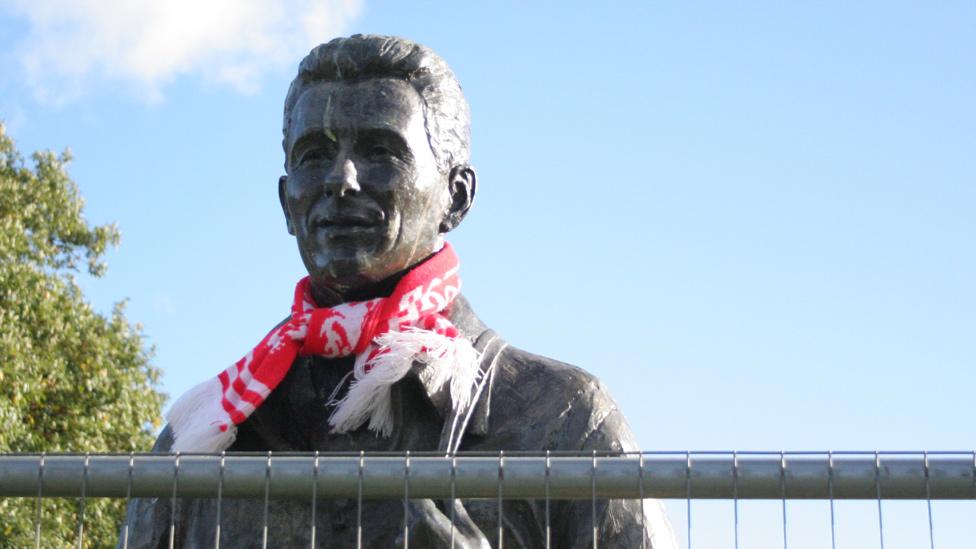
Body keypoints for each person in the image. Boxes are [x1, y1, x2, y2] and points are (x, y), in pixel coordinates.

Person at [120, 34, 676, 548]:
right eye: (314, 155)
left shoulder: (564, 418)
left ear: (456, 198)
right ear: (287, 201)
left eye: (382, 150)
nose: (341, 179)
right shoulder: (201, 438)